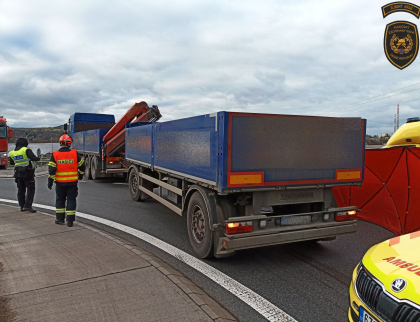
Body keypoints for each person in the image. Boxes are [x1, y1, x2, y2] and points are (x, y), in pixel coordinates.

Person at [47, 134, 85, 227]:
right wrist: (81, 175)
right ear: (69, 143)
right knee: (71, 200)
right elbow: (82, 165)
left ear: (60, 143)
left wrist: (50, 181)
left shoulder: (55, 154)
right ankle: (70, 221)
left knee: (60, 200)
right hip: (72, 182)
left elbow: (52, 169)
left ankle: (60, 219)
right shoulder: (74, 153)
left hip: (60, 183)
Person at [8, 137, 40, 213]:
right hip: (27, 173)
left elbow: (12, 163)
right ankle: (28, 206)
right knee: (30, 189)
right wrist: (38, 158)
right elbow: (33, 158)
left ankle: (22, 206)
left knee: (21, 190)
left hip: (18, 173)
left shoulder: (12, 152)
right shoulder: (26, 150)